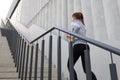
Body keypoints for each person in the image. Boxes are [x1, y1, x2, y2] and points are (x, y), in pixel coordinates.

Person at [67, 12, 97, 80]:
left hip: (78, 46)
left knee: (69, 65)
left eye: (72, 17)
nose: (72, 19)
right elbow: (79, 36)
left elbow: (76, 28)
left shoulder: (75, 22)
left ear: (75, 17)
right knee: (86, 69)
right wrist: (72, 38)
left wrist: (72, 35)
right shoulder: (82, 25)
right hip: (85, 46)